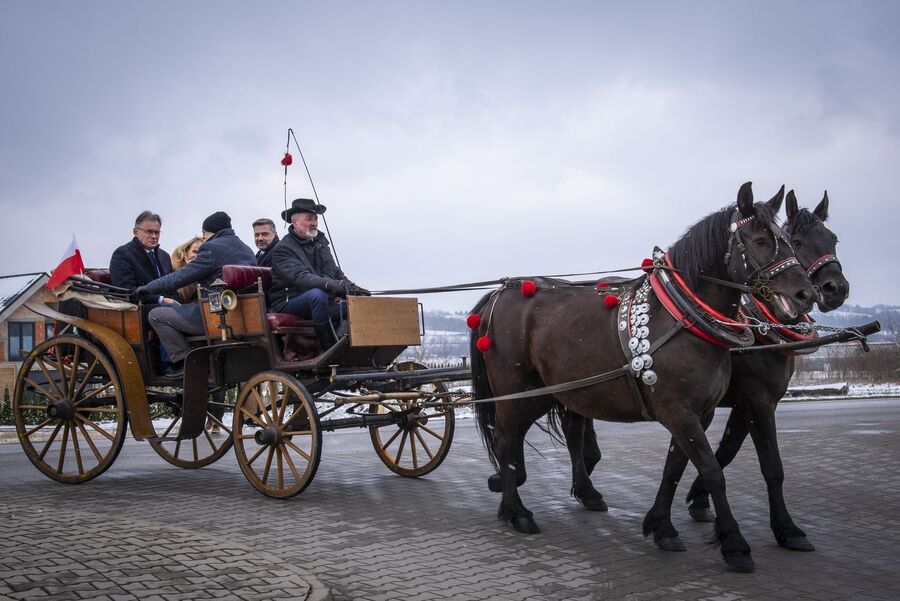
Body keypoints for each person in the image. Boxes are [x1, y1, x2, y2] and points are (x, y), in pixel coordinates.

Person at [135, 211, 256, 378]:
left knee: (157, 315)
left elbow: (180, 278)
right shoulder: (246, 249)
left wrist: (147, 288)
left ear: (208, 232)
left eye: (203, 234)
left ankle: (185, 362)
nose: (203, 237)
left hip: (215, 317)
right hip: (244, 316)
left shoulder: (211, 248)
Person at [269, 198, 369, 351]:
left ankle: (356, 350)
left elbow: (335, 272)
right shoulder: (283, 249)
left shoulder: (321, 243)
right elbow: (300, 277)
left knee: (357, 305)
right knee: (317, 295)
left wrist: (356, 290)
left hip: (321, 300)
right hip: (290, 300)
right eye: (309, 219)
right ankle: (329, 348)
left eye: (315, 218)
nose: (314, 222)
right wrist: (329, 284)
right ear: (295, 223)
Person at [110, 211, 174, 305]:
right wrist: (159, 299)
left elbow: (172, 288)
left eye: (157, 232)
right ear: (135, 232)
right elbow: (125, 291)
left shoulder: (164, 256)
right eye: (149, 232)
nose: (154, 236)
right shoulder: (122, 254)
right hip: (144, 309)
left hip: (169, 306)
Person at [171, 236, 204, 302]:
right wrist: (189, 271)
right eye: (194, 252)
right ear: (186, 252)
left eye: (201, 252)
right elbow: (183, 297)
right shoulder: (176, 272)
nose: (197, 255)